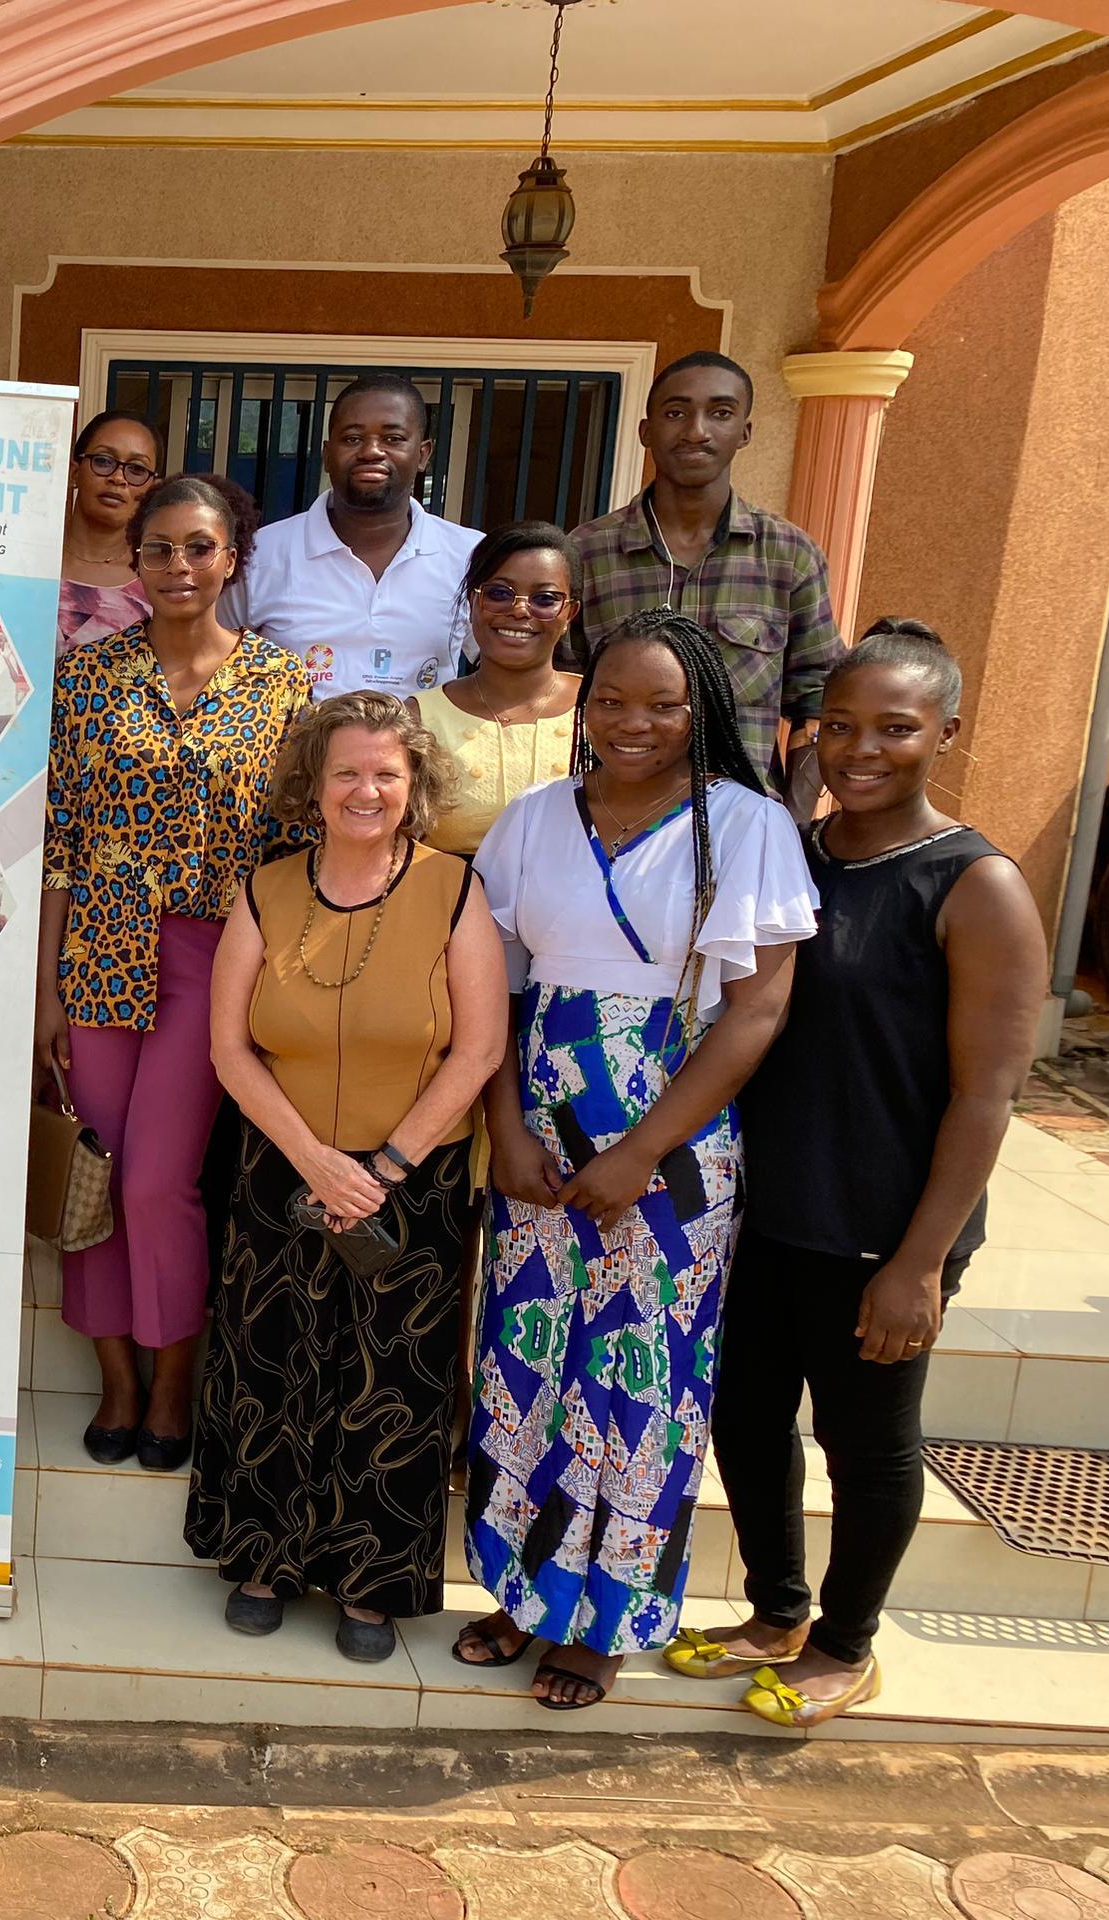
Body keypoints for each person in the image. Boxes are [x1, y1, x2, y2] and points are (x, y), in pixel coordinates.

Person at [672, 622, 1042, 1729]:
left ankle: (847, 1642)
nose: (859, 749)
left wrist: (919, 1262)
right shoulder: (788, 853)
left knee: (866, 1444)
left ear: (945, 734)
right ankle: (776, 1612)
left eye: (894, 728)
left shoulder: (975, 887)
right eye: (837, 725)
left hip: (882, 1229)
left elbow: (986, 1097)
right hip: (765, 1212)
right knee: (744, 1420)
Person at [459, 607, 818, 1710]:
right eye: (610, 699)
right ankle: (521, 1590)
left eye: (662, 703)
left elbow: (754, 1016)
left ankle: (604, 1617)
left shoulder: (745, 827)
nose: (632, 723)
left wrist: (640, 1153)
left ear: (699, 707)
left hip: (670, 1140)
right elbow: (493, 990)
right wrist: (505, 1127)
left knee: (634, 1377)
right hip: (538, 1122)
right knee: (524, 1366)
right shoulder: (529, 822)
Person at [191, 692, 505, 1659]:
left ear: (414, 788)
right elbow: (230, 1047)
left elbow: (480, 1048)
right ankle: (263, 1557)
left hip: (408, 1186)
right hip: (281, 1170)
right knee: (270, 1362)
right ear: (313, 788)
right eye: (346, 774)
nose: (365, 791)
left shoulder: (455, 890)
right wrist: (316, 1161)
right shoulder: (267, 889)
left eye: (385, 774)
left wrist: (387, 1163)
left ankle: (370, 1584)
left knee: (391, 1381)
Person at [40, 474, 312, 1472]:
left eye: (198, 547)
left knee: (159, 1184)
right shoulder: (90, 677)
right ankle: (114, 1376)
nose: (178, 567)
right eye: (158, 549)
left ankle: (172, 1381)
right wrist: (43, 991)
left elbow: (292, 846)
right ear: (135, 562)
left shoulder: (282, 684)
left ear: (231, 556)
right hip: (100, 943)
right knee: (95, 1170)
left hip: (219, 951)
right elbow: (61, 838)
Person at [570, 352, 841, 799]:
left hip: (743, 821)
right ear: (646, 431)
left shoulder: (789, 555)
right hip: (614, 818)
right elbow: (561, 692)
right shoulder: (588, 552)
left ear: (745, 432)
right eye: (676, 413)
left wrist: (791, 821)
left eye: (720, 413)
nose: (697, 431)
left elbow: (818, 700)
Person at [224, 374, 481, 699]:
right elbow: (214, 663)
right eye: (352, 439)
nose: (372, 451)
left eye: (393, 439)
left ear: (423, 454)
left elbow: (501, 661)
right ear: (327, 455)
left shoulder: (471, 556)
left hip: (425, 750)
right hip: (294, 750)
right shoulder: (260, 555)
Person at [409, 521, 583, 856]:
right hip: (449, 903)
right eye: (499, 594)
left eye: (544, 599)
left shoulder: (598, 708)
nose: (519, 610)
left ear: (569, 613)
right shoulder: (419, 718)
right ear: (473, 603)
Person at [59, 411, 159, 655]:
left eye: (136, 469)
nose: (118, 478)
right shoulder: (23, 567)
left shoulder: (159, 583)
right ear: (74, 473)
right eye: (103, 461)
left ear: (153, 489)